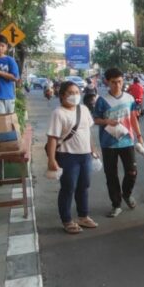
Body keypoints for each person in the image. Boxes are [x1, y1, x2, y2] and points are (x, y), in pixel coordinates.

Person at [45, 81, 98, 234]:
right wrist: (51, 160)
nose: (75, 95)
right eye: (70, 93)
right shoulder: (58, 113)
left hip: (85, 155)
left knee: (84, 186)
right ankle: (67, 220)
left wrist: (93, 150)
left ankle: (83, 216)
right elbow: (52, 137)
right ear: (62, 95)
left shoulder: (84, 109)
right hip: (67, 156)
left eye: (77, 92)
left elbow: (87, 132)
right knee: (68, 188)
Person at [92, 67, 143, 217]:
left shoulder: (129, 98)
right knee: (111, 175)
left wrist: (139, 136)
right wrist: (106, 120)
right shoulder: (102, 101)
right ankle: (116, 204)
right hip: (108, 143)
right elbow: (95, 119)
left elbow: (133, 117)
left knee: (132, 171)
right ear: (107, 82)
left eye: (120, 82)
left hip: (127, 141)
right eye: (114, 82)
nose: (117, 85)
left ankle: (126, 194)